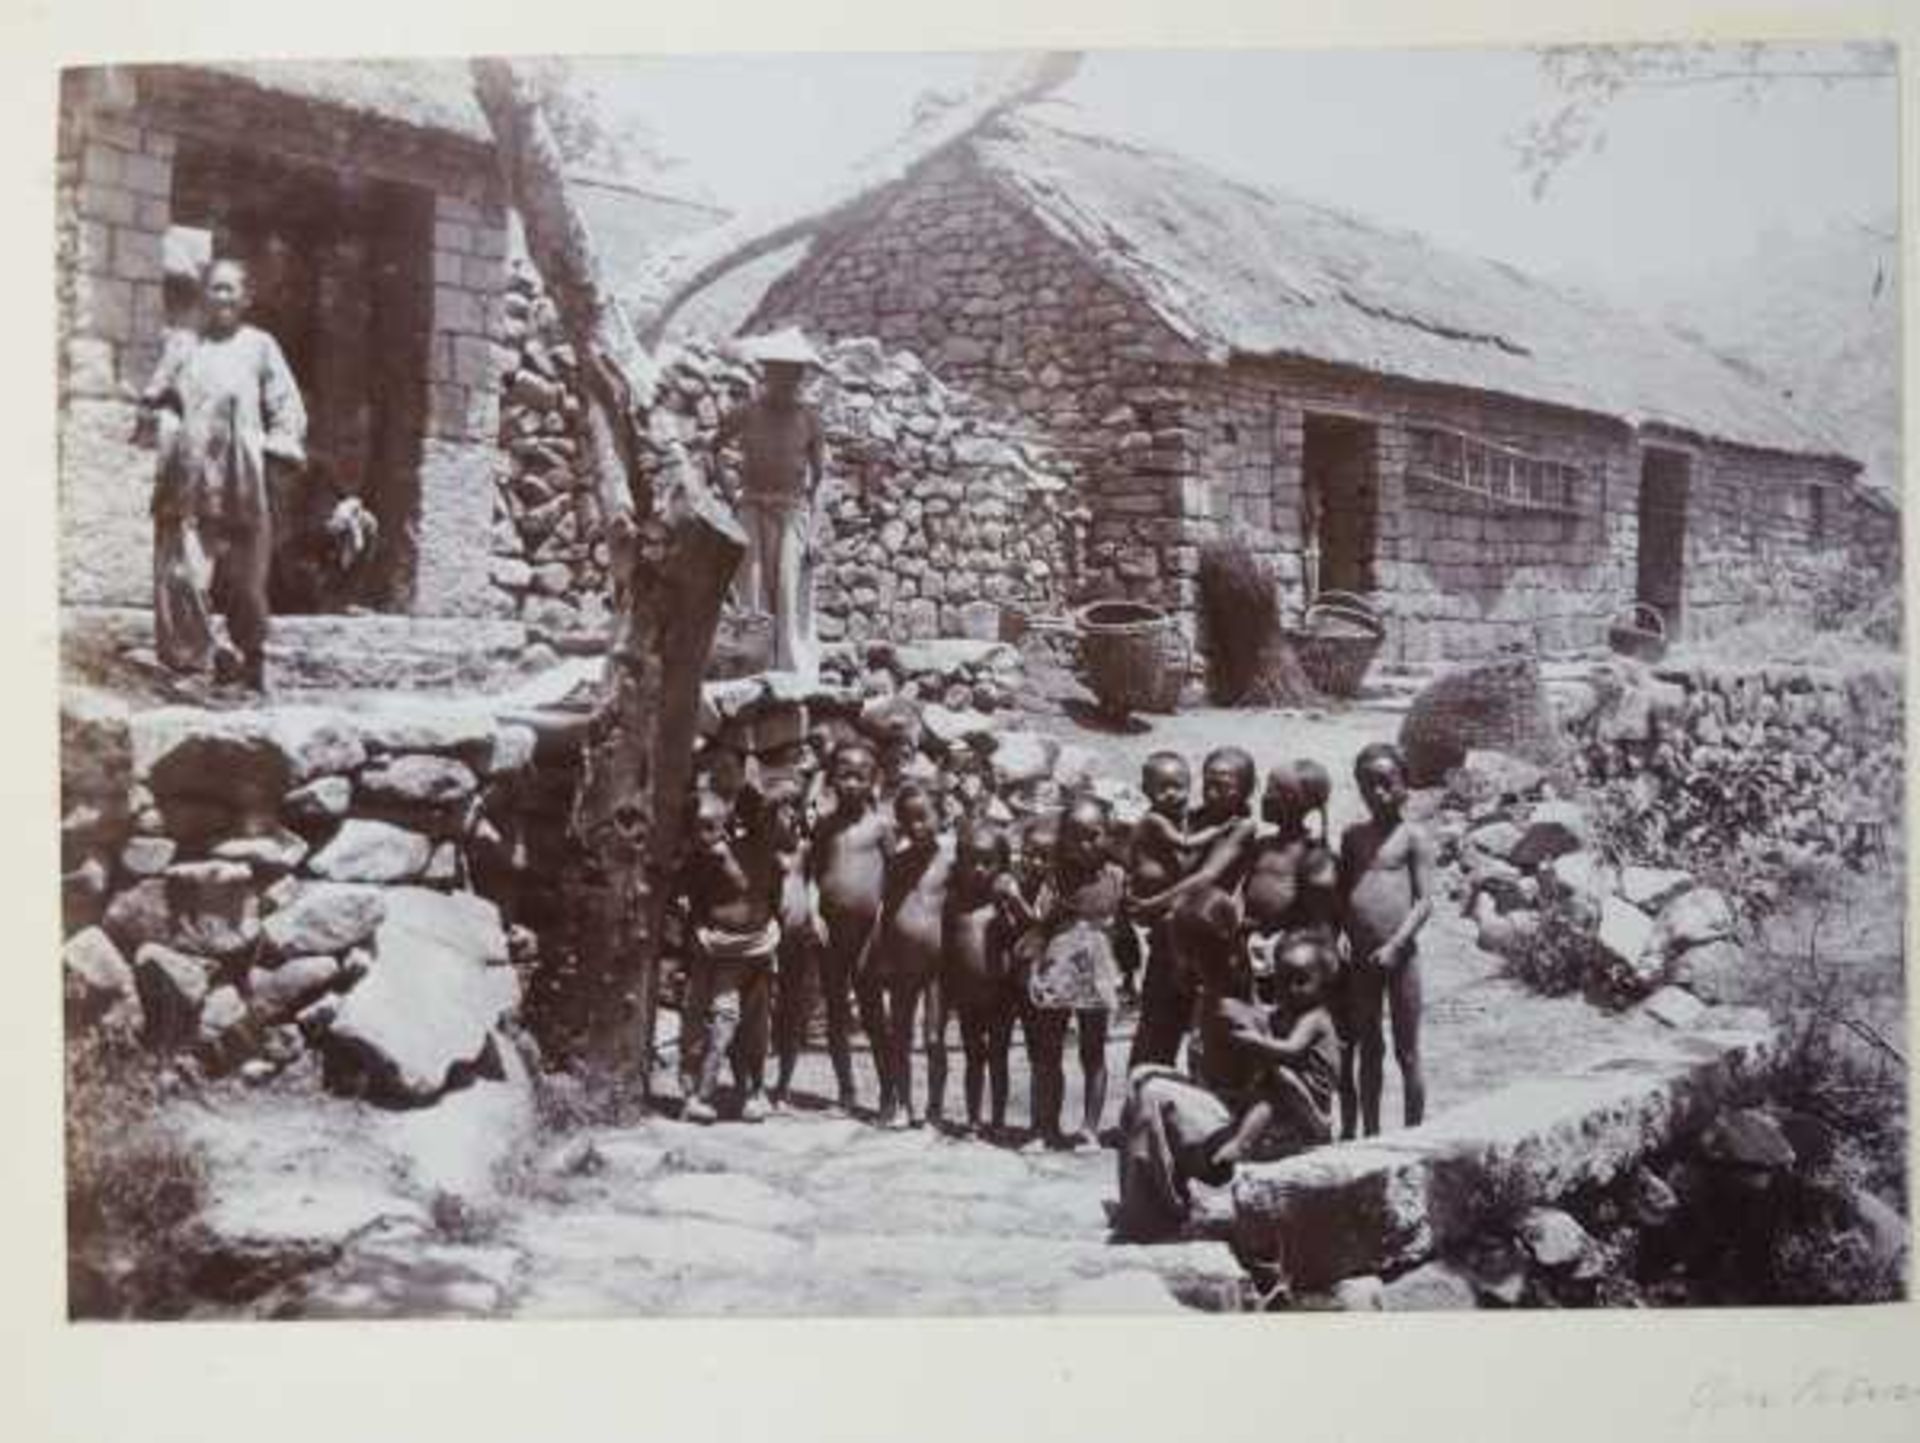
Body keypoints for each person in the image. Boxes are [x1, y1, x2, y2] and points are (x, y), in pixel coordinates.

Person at [138, 257, 307, 694]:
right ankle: (191, 665)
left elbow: (285, 404)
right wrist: (163, 417)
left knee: (247, 581)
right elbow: (156, 397)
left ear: (246, 298)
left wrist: (280, 445)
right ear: (203, 296)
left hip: (244, 477)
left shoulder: (259, 345)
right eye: (216, 288)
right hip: (190, 476)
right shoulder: (184, 345)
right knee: (183, 573)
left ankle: (250, 661)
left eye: (231, 289)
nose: (223, 297)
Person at [1126, 747, 1260, 1071]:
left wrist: (1151, 904)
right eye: (1208, 783)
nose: (1213, 793)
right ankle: (1142, 1111)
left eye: (1224, 786)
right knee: (1154, 1035)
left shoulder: (1241, 827)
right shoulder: (1189, 819)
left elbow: (1206, 877)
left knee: (1210, 1041)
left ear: (1246, 789)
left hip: (1210, 947)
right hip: (1170, 940)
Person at [1338, 741, 1437, 1136]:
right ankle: (1372, 1133)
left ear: (1404, 786)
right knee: (1368, 1047)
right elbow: (1343, 891)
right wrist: (1344, 932)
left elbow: (1425, 901)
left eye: (1385, 783)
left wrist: (1397, 945)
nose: (1377, 793)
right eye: (1367, 785)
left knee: (1407, 1051)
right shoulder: (1352, 837)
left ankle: (1414, 1133)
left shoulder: (1413, 837)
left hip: (1401, 958)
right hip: (1362, 959)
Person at [1017, 794, 1125, 1150]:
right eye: (1075, 836)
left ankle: (1090, 1129)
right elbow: (1039, 922)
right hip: (1057, 969)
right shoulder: (1056, 878)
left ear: (1108, 835)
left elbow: (1126, 930)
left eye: (1094, 835)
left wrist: (1129, 975)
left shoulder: (1116, 878)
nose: (1085, 844)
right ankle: (1043, 1127)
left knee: (1093, 1052)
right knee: (1047, 1053)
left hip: (1097, 973)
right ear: (1063, 839)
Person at [719, 327, 827, 681]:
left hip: (792, 511)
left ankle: (792, 672)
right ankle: (750, 670)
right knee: (750, 590)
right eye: (779, 371)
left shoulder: (810, 419)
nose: (786, 380)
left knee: (788, 590)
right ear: (766, 372)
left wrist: (813, 532)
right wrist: (729, 493)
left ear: (801, 376)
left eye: (794, 373)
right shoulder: (746, 413)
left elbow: (820, 478)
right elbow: (712, 448)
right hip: (751, 508)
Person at [672, 790, 783, 1123]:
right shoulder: (706, 858)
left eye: (713, 827)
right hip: (716, 948)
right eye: (700, 828)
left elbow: (766, 895)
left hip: (758, 946)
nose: (710, 836)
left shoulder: (764, 854)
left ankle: (750, 1090)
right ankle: (698, 1094)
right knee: (718, 1019)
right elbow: (691, 900)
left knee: (755, 1024)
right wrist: (698, 936)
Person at [1203, 929, 1341, 1170]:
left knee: (1279, 1077)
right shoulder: (1285, 1012)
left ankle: (1317, 1121)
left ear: (1324, 984)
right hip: (1294, 1078)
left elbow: (1291, 1049)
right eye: (1283, 980)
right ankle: (1248, 1139)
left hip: (1315, 1083)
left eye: (1301, 981)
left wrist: (1254, 1040)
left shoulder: (1314, 1017)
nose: (1290, 989)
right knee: (1267, 1091)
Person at [809, 741, 890, 1114]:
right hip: (831, 931)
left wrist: (882, 922)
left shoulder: (879, 827)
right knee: (836, 1011)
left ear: (873, 781)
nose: (852, 783)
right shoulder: (825, 827)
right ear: (831, 779)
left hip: (868, 936)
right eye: (844, 775)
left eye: (860, 776)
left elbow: (895, 878)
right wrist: (813, 909)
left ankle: (889, 1092)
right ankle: (846, 1092)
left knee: (873, 1011)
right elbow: (812, 873)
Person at [867, 783, 954, 1128]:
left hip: (938, 966)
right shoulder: (897, 863)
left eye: (923, 818)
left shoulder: (951, 860)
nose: (915, 826)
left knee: (934, 1038)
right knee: (899, 1032)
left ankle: (934, 1108)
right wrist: (883, 956)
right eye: (906, 821)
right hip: (903, 964)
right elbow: (886, 911)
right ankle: (903, 1103)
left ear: (941, 816)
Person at [934, 818, 1021, 1138]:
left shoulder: (1003, 905)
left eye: (988, 862)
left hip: (1001, 994)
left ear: (1002, 865)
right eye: (973, 862)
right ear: (961, 862)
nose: (980, 870)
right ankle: (973, 1119)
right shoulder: (954, 902)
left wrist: (1010, 904)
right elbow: (946, 950)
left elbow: (1019, 939)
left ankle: (997, 1120)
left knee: (998, 1056)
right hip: (967, 994)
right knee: (973, 1057)